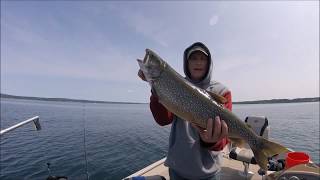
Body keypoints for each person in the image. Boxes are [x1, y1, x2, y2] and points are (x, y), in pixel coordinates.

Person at [138, 42, 232, 180]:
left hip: (209, 173)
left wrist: (211, 141)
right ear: (186, 63)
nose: (198, 62)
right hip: (178, 170)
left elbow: (224, 138)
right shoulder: (174, 84)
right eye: (193, 58)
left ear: (209, 63)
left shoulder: (222, 91)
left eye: (203, 58)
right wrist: (155, 88)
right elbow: (163, 120)